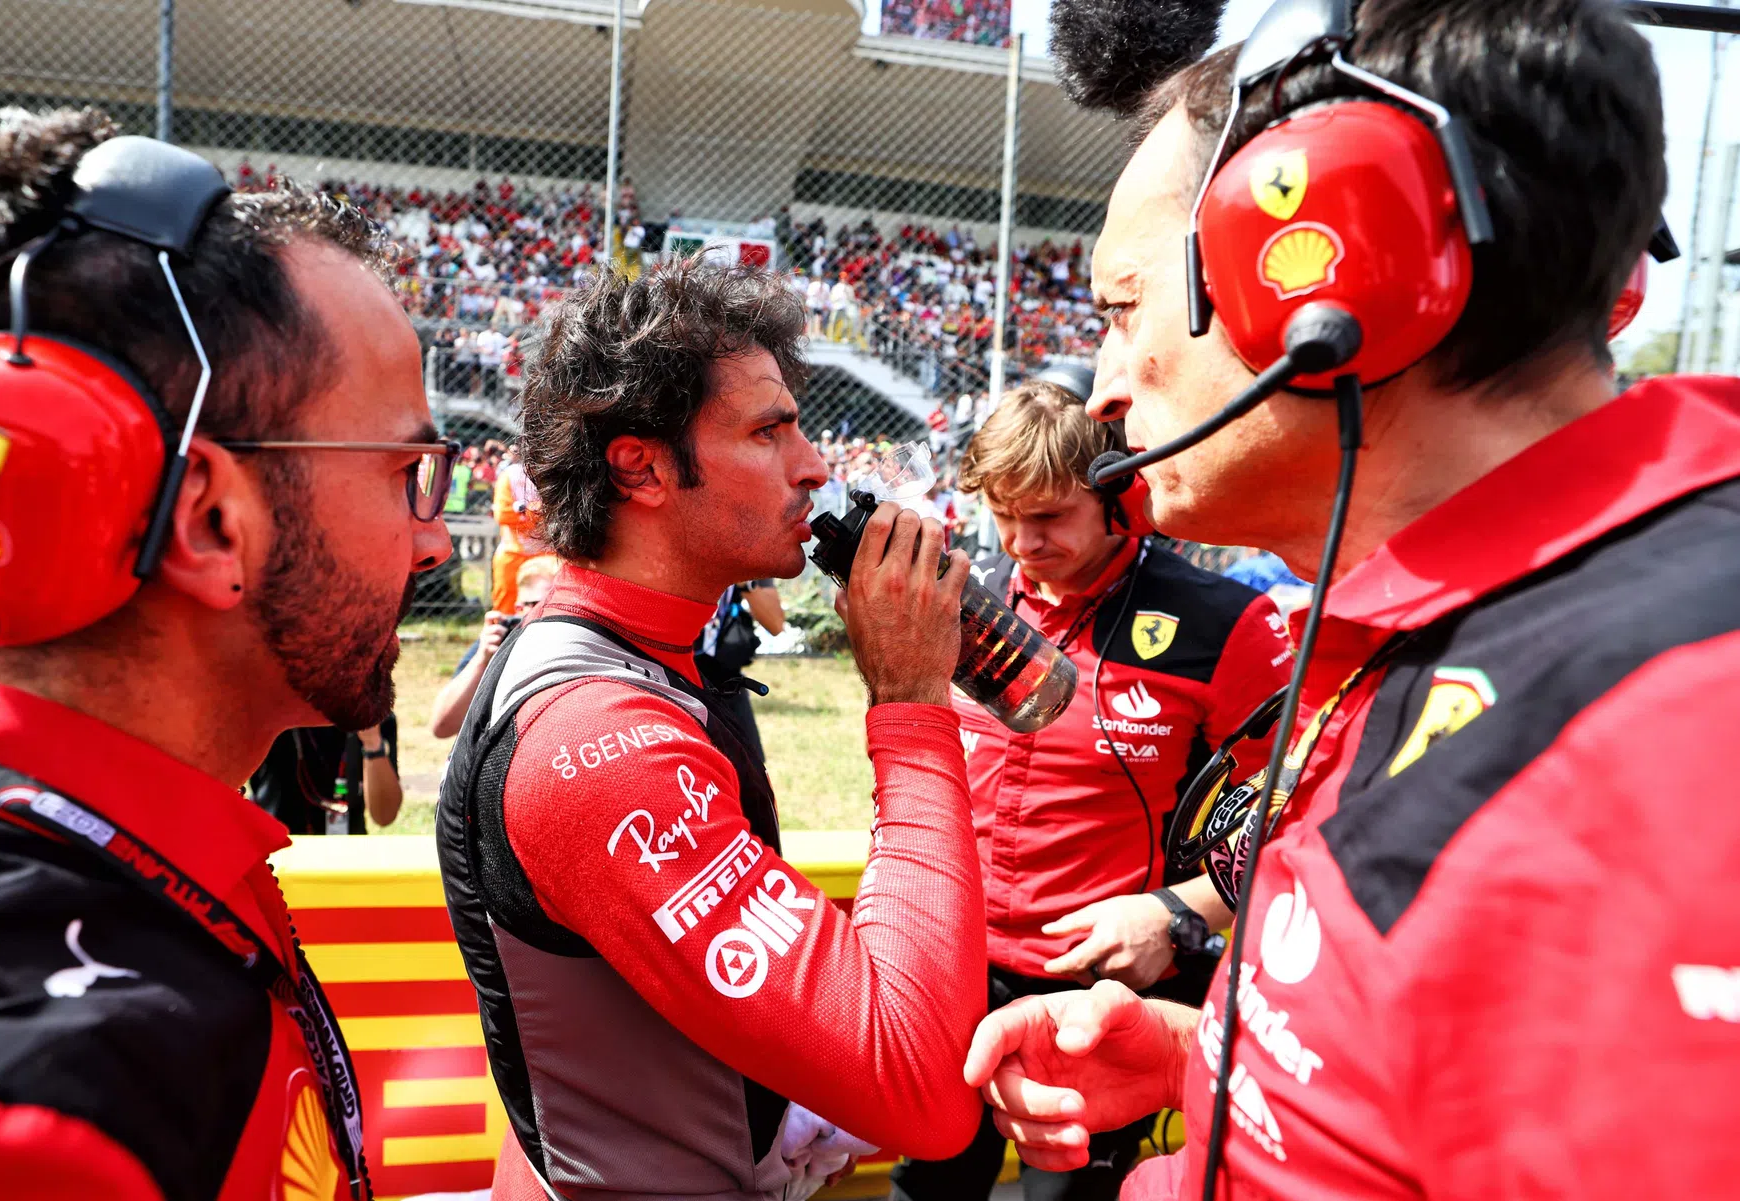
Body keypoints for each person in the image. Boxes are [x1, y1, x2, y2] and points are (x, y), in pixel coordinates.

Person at [967, 1, 1740, 1198]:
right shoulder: (1445, 630)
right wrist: (1221, 1066)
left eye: (1120, 310)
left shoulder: (1669, 739)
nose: (1103, 390)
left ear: (1330, 265)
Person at [0, 110, 452, 1198]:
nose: (435, 536)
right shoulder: (45, 1125)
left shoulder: (134, 870)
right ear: (212, 521)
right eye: (405, 474)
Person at [435, 257, 989, 1201]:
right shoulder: (593, 736)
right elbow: (924, 1090)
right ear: (641, 466)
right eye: (768, 430)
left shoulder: (654, 651)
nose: (813, 464)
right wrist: (908, 702)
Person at [891, 380, 1290, 1201]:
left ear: (1121, 500)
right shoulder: (966, 599)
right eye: (1004, 514)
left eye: (1047, 516)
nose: (1020, 541)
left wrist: (1178, 913)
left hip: (1095, 991)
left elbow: (1291, 819)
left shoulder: (1223, 625)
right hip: (953, 972)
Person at [430, 555, 560, 740]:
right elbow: (442, 727)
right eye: (541, 606)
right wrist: (483, 659)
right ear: (519, 609)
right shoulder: (500, 641)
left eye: (561, 605)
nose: (555, 616)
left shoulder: (587, 643)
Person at [248, 716, 402, 834]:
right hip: (280, 855)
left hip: (344, 859)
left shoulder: (373, 716)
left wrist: (373, 745)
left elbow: (384, 816)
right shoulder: (272, 715)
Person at [693, 580, 786, 765]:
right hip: (674, 678)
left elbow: (776, 624)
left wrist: (746, 583)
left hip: (726, 683)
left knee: (753, 772)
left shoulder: (748, 556)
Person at [490, 451, 547, 614]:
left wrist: (524, 513)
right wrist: (536, 513)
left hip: (547, 554)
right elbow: (503, 514)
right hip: (513, 553)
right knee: (505, 609)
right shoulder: (511, 475)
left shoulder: (556, 473)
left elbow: (559, 514)